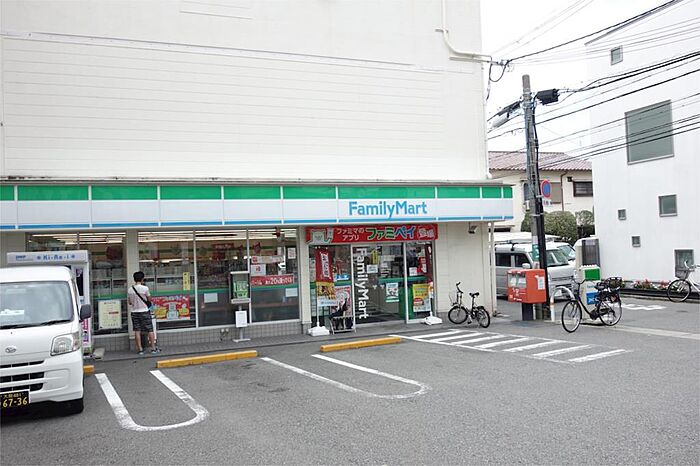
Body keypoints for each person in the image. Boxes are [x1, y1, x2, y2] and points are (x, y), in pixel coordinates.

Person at [127, 271, 159, 355]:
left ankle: (140, 350)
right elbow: (149, 300)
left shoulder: (130, 290)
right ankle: (153, 348)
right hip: (144, 311)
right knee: (150, 330)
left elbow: (129, 302)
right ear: (142, 279)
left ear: (134, 279)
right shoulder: (145, 288)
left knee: (137, 331)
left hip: (134, 312)